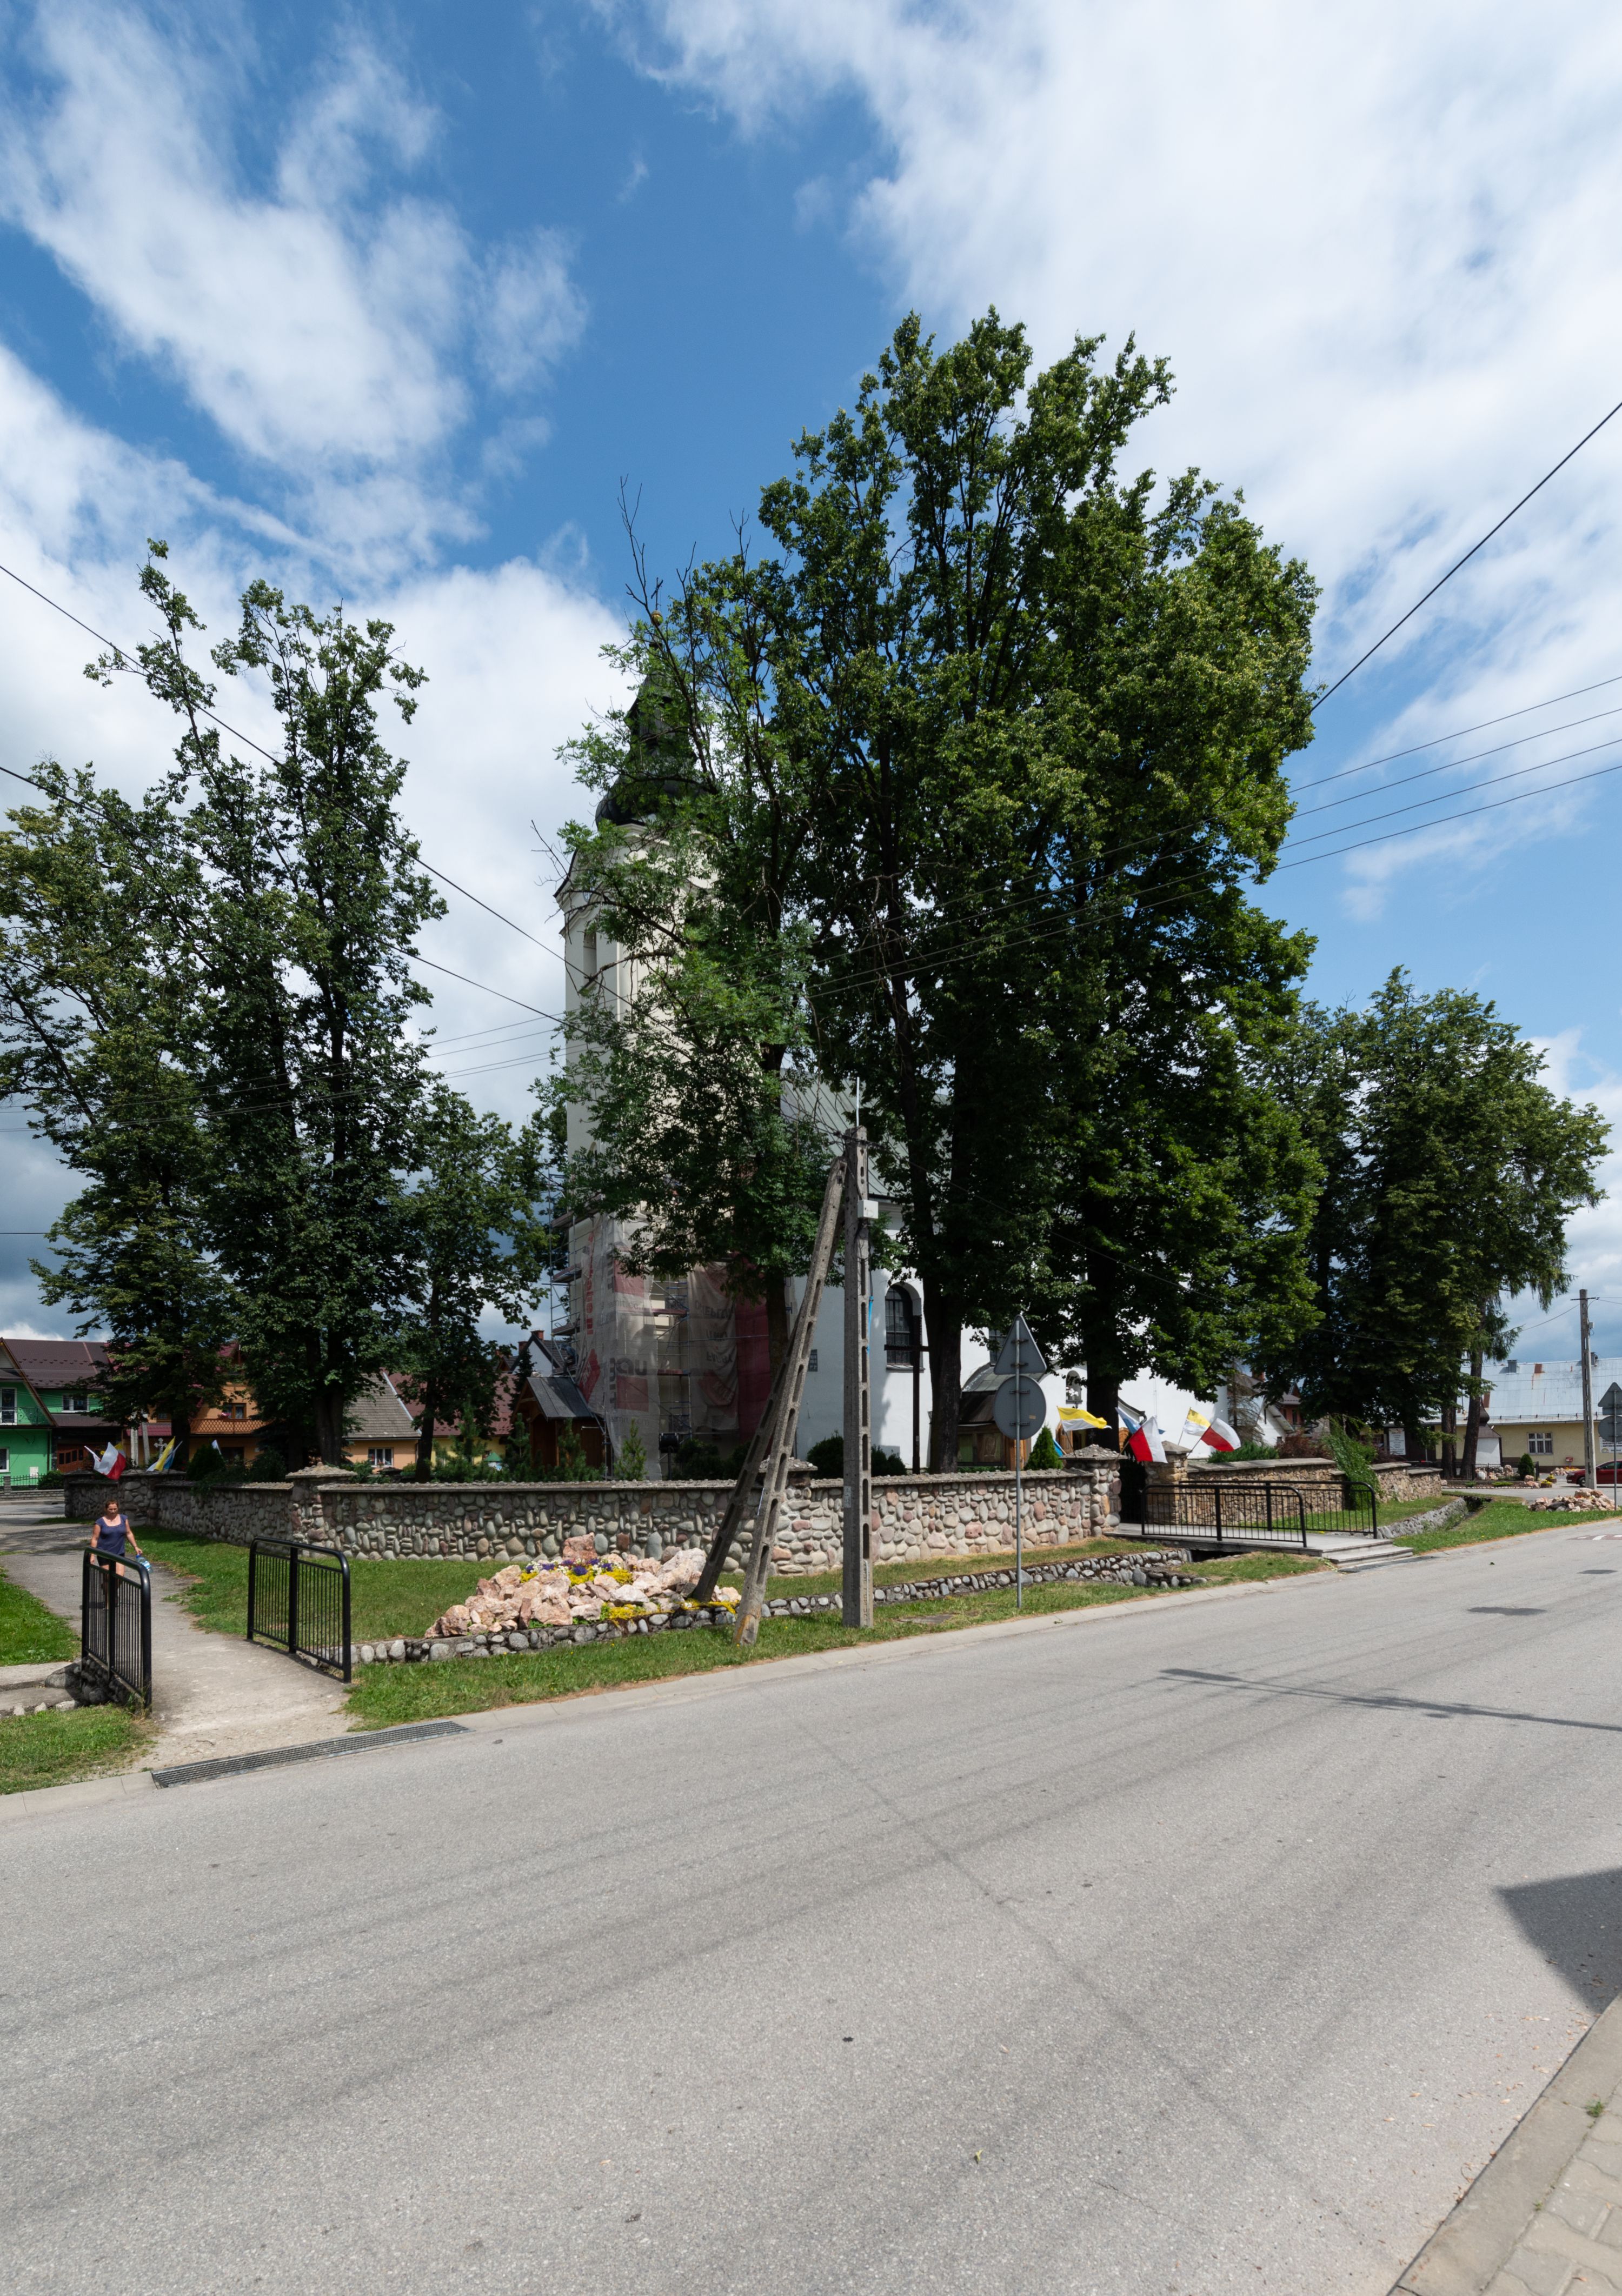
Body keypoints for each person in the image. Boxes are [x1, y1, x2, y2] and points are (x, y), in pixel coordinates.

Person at [90, 1494, 144, 1566]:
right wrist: (92, 1555)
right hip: (104, 1554)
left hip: (119, 1553)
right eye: (110, 1509)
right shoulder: (100, 1522)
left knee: (120, 1574)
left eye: (115, 1509)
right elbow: (95, 1539)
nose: (113, 1511)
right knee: (107, 1574)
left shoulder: (124, 1519)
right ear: (106, 1509)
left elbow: (129, 1533)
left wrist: (136, 1547)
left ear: (118, 1508)